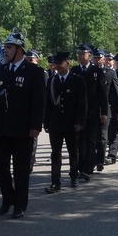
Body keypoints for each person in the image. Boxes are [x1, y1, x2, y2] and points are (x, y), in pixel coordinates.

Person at [0, 29, 45, 218]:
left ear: (19, 50)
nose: (5, 51)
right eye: (5, 47)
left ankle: (20, 204)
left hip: (22, 129)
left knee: (21, 169)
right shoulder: (0, 70)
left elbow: (39, 101)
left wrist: (36, 126)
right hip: (0, 128)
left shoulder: (34, 72)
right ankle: (8, 198)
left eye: (9, 47)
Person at [43, 51, 86, 191]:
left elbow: (82, 103)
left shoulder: (77, 79)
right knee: (55, 153)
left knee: (73, 151)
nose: (57, 66)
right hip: (56, 123)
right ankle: (55, 181)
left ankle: (74, 176)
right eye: (55, 64)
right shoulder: (52, 80)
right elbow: (48, 103)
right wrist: (46, 121)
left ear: (67, 63)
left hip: (72, 123)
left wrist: (80, 121)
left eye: (60, 63)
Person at [72, 44, 109, 180]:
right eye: (79, 54)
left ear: (89, 56)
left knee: (90, 141)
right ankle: (79, 167)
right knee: (78, 141)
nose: (81, 56)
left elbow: (102, 94)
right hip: (77, 113)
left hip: (93, 112)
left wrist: (104, 112)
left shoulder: (96, 71)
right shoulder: (75, 70)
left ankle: (88, 168)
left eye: (83, 54)